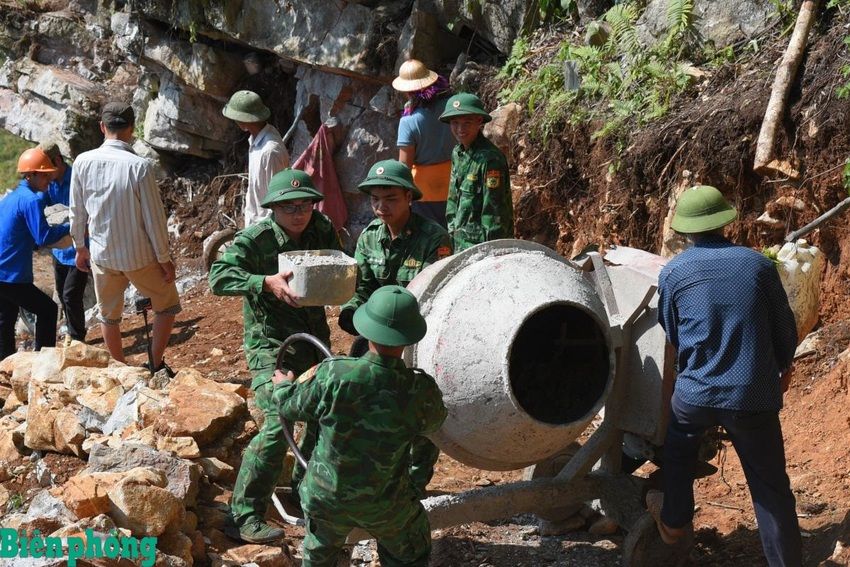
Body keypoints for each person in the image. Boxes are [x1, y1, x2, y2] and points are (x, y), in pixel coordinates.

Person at [649, 185, 801, 566]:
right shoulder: (759, 266)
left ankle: (674, 521)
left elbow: (673, 332)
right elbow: (785, 328)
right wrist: (783, 367)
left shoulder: (673, 273)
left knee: (678, 447)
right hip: (752, 394)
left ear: (685, 231)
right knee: (770, 488)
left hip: (696, 394)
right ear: (725, 223)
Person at [208, 168, 341, 544]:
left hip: (312, 339)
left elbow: (336, 265)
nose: (299, 214)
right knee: (278, 423)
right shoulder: (256, 240)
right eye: (289, 208)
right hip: (271, 346)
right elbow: (218, 278)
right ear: (273, 209)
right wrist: (263, 282)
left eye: (305, 206)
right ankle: (243, 514)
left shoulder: (321, 229)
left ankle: (304, 489)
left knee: (323, 414)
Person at [272, 285, 447, 567]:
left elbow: (290, 407)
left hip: (326, 500)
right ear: (410, 336)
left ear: (366, 329)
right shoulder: (420, 390)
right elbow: (436, 425)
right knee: (411, 554)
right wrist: (415, 482)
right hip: (387, 505)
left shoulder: (334, 374)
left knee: (318, 556)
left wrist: (283, 386)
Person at [337, 159, 451, 499]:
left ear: (409, 197)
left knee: (419, 416)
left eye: (391, 199)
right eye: (375, 199)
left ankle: (414, 485)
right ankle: (375, 479)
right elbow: (361, 287)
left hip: (418, 340)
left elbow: (435, 297)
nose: (381, 207)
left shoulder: (434, 238)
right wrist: (351, 313)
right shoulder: (369, 238)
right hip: (376, 340)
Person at [69, 102, 180, 373]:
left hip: (102, 255)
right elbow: (154, 219)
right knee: (167, 306)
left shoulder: (82, 162)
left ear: (102, 127)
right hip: (139, 256)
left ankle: (121, 371)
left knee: (109, 316)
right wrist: (164, 259)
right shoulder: (139, 166)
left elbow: (76, 211)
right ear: (131, 128)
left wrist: (80, 247)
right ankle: (154, 363)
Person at [0, 148, 71, 360]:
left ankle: (4, 366)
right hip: (11, 275)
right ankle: (44, 361)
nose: (49, 179)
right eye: (44, 175)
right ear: (30, 175)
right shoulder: (31, 200)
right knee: (48, 310)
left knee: (6, 318)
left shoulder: (12, 197)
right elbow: (44, 237)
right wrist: (70, 226)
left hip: (3, 271)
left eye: (49, 174)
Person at [439, 92, 514, 252]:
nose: (460, 129)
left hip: (482, 247)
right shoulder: (458, 153)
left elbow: (494, 212)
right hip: (460, 243)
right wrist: (452, 232)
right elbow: (453, 199)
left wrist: (492, 251)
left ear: (479, 121)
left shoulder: (490, 159)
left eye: (467, 123)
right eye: (455, 123)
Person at [392, 59, 455, 228]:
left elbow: (404, 167)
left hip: (425, 192)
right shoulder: (452, 107)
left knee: (431, 236)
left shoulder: (409, 121)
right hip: (455, 183)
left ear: (407, 91)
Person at [39, 141, 89, 343]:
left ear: (58, 160)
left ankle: (78, 338)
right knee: (61, 293)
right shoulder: (48, 184)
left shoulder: (77, 178)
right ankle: (71, 330)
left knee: (71, 295)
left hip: (81, 248)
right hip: (59, 251)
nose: (44, 175)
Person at [222, 90, 290, 227]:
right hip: (255, 220)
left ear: (243, 122)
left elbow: (278, 197)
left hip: (266, 225)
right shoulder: (256, 141)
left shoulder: (270, 152)